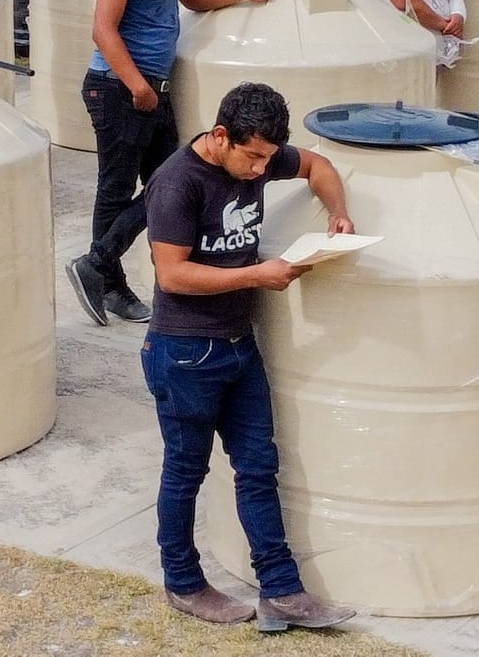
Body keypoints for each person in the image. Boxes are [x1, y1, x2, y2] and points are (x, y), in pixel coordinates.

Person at [142, 81, 357, 632]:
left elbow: (318, 164)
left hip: (239, 344)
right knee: (185, 471)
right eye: (253, 157)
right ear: (220, 136)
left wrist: (339, 214)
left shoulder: (259, 152)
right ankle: (183, 581)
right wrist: (258, 275)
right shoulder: (177, 183)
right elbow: (171, 275)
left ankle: (282, 589)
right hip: (186, 350)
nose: (263, 170)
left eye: (268, 158)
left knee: (259, 467)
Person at [67, 0, 278, 328]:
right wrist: (139, 88)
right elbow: (103, 30)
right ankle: (110, 281)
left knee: (168, 182)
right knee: (117, 190)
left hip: (150, 90)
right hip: (120, 88)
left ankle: (98, 264)